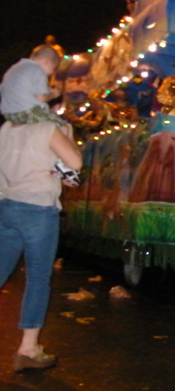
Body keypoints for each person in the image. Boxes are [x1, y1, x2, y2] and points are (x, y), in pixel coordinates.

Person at [0, 109, 83, 371]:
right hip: (37, 209)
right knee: (37, 279)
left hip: (7, 205)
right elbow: (75, 164)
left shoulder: (7, 127)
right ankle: (28, 348)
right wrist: (67, 135)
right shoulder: (49, 128)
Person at [0, 45, 64, 127]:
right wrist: (54, 94)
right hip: (27, 112)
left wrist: (48, 90)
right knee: (62, 125)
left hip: (8, 113)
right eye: (53, 69)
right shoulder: (38, 71)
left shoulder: (14, 68)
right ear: (47, 62)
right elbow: (41, 98)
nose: (51, 73)